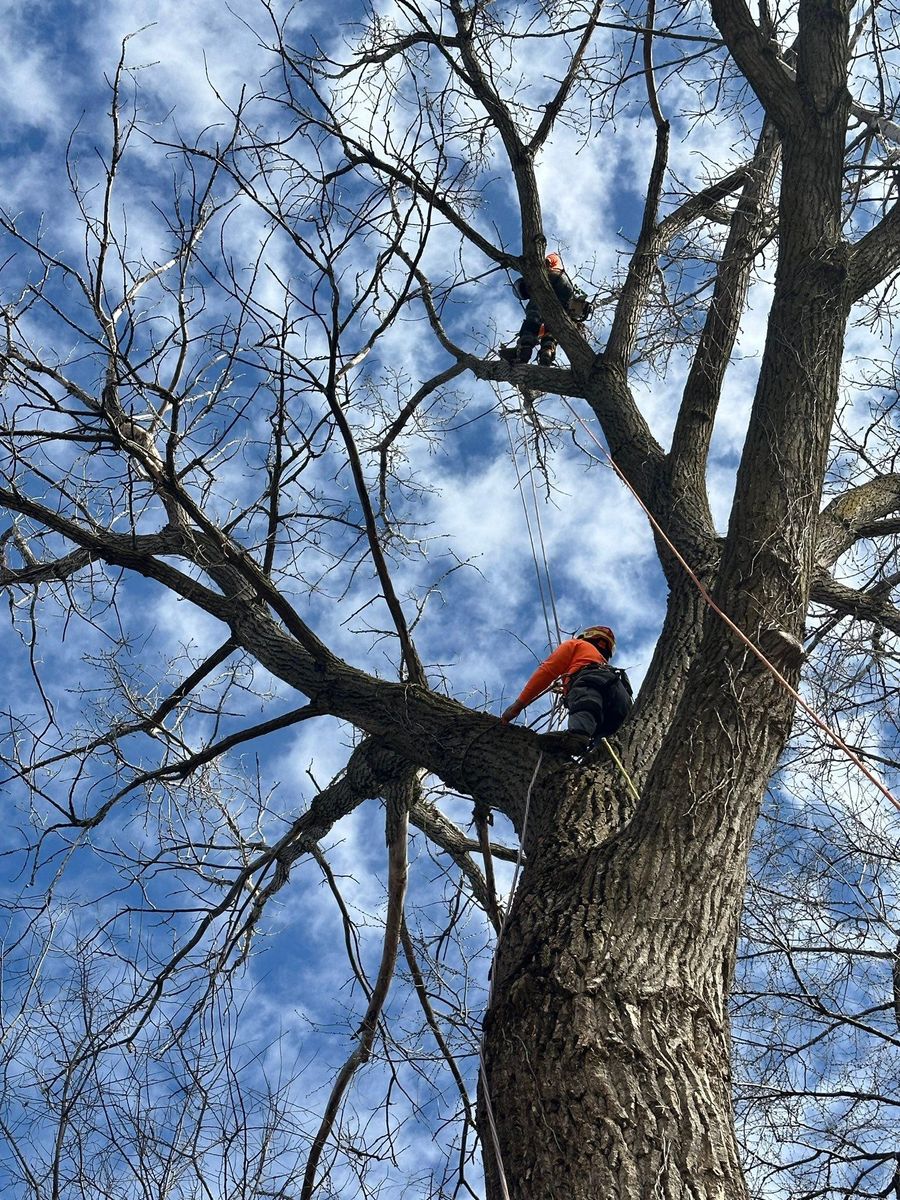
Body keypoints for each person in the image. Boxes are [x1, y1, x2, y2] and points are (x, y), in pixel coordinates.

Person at [500, 625, 633, 754]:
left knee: (585, 696)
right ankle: (604, 756)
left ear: (586, 637)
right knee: (608, 739)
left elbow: (547, 671)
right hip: (622, 698)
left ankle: (578, 735)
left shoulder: (577, 645)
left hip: (591, 681)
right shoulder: (603, 664)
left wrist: (518, 705)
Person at [499, 252, 584, 367]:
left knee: (533, 312)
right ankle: (546, 352)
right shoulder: (544, 297)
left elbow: (550, 259)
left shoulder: (543, 271)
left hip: (557, 279)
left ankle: (525, 349)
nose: (530, 292)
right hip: (565, 298)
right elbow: (540, 330)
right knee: (552, 324)